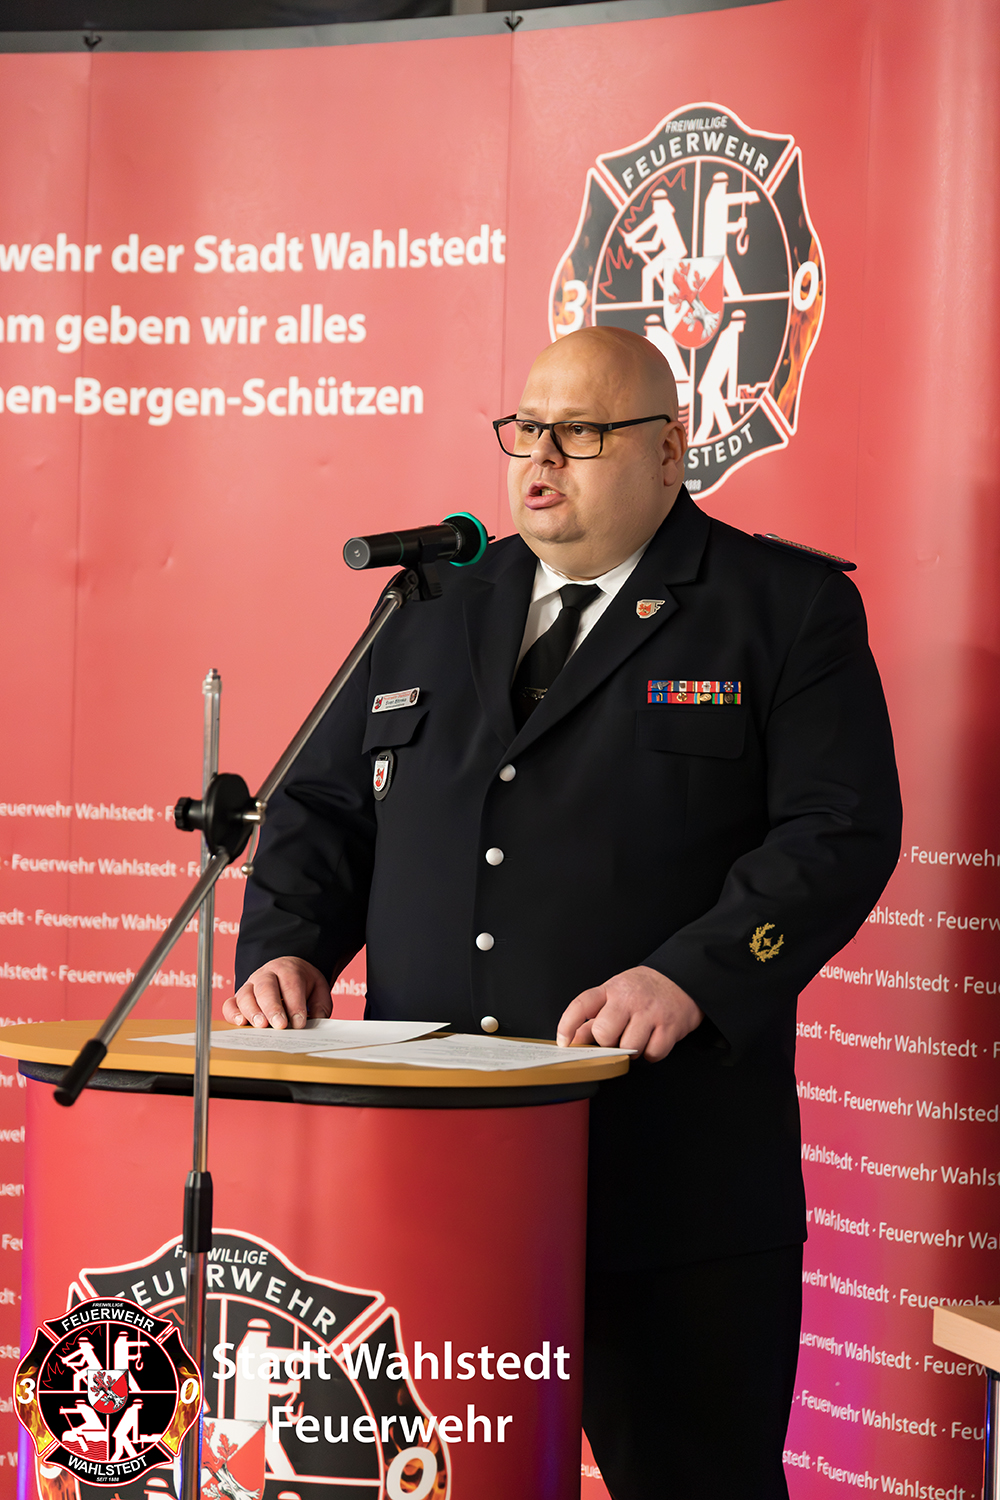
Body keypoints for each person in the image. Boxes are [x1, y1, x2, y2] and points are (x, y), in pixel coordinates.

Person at [230, 326, 902, 1498]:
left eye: (581, 433)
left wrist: (692, 975)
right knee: (429, 1479)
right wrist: (287, 948)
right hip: (435, 1170)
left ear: (669, 450)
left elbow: (836, 831)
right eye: (528, 429)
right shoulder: (430, 602)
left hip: (667, 1175)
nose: (540, 459)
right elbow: (323, 808)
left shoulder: (779, 607)